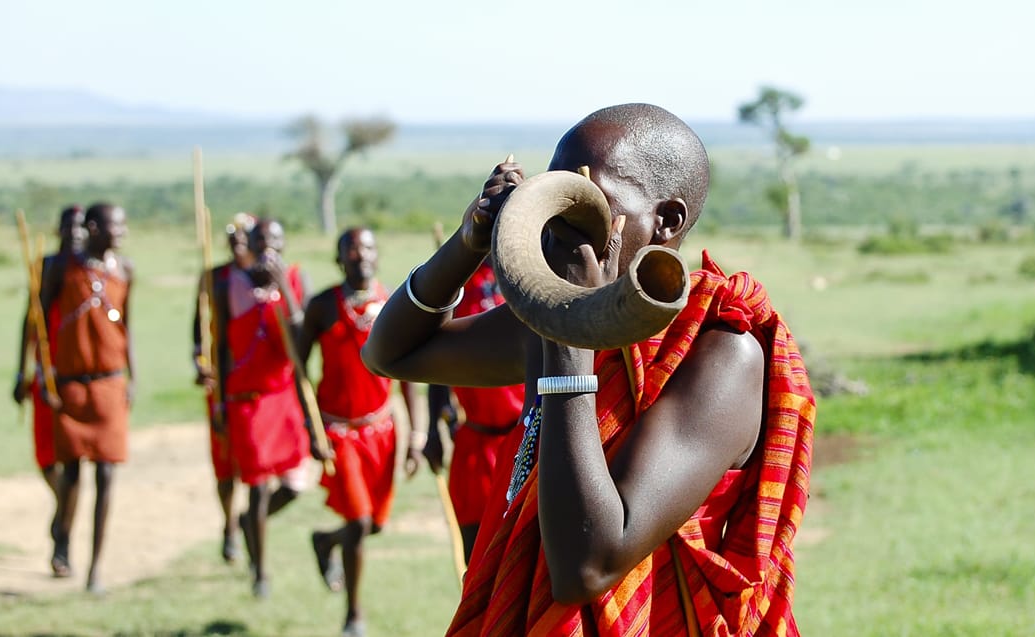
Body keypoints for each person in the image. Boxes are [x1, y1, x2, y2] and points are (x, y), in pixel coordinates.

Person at [362, 104, 816, 636]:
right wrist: (469, 244)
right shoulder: (551, 326)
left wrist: (567, 329)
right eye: (553, 194)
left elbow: (589, 564)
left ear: (664, 221)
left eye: (585, 198)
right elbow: (391, 354)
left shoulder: (722, 350)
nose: (556, 219)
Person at [296, 227, 423, 637]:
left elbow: (409, 375)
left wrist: (417, 436)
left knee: (375, 524)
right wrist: (311, 428)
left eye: (367, 247)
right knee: (359, 520)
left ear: (377, 255)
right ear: (339, 259)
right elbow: (298, 372)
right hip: (338, 432)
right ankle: (354, 615)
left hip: (381, 431)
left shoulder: (394, 304)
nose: (359, 255)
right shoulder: (321, 307)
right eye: (350, 249)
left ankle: (324, 541)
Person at [39, 202, 135, 594]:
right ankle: (63, 538)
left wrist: (134, 377)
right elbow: (40, 323)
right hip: (70, 385)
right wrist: (41, 376)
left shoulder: (125, 270)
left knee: (108, 473)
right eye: (115, 226)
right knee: (72, 474)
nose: (121, 233)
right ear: (94, 228)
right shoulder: (61, 268)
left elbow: (130, 326)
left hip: (110, 384)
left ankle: (96, 568)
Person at [220, 217, 314, 598]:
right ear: (251, 244)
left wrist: (282, 291)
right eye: (261, 241)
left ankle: (247, 523)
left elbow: (301, 336)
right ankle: (260, 571)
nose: (268, 247)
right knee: (257, 486)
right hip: (247, 399)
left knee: (294, 486)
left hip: (284, 396)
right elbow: (222, 346)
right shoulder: (230, 283)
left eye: (275, 240)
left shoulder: (294, 277)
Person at [422, 258, 525, 563]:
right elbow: (438, 361)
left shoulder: (531, 274)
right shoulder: (455, 287)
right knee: (476, 558)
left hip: (526, 441)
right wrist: (433, 429)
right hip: (475, 443)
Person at [12, 204, 85, 551]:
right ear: (58, 231)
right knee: (45, 457)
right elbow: (29, 323)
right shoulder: (45, 268)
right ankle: (64, 508)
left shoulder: (92, 274)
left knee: (72, 460)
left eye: (81, 227)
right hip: (47, 378)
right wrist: (20, 371)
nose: (75, 233)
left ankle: (63, 540)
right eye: (68, 227)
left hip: (80, 381)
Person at [191, 212, 256, 564]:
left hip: (254, 385)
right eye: (232, 236)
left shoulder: (262, 281)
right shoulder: (214, 278)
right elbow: (197, 333)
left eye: (244, 236)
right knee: (225, 463)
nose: (237, 243)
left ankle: (249, 523)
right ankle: (229, 523)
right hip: (222, 384)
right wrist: (200, 364)